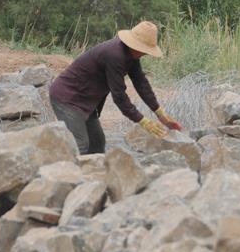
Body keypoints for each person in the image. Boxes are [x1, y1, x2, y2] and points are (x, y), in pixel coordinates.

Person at [49, 20, 183, 155]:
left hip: (86, 101)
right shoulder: (115, 55)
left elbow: (141, 84)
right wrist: (144, 122)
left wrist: (160, 114)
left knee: (97, 144)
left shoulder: (132, 56)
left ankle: (94, 175)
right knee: (80, 145)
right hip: (68, 98)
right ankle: (58, 172)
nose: (146, 53)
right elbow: (119, 96)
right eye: (145, 50)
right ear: (136, 45)